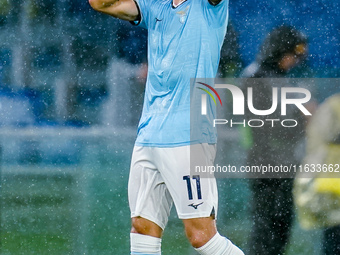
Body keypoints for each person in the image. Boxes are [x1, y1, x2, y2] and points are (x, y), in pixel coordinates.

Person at [88, 0, 245, 254]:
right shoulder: (155, 6)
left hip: (189, 136)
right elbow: (101, 3)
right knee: (142, 229)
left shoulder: (208, 6)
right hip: (149, 135)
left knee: (201, 235)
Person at [241, 25, 309, 255]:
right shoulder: (257, 77)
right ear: (279, 50)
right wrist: (303, 119)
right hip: (266, 164)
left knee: (280, 227)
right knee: (267, 230)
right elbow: (269, 127)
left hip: (281, 164)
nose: (294, 61)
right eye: (292, 54)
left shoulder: (275, 78)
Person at [294, 93, 340, 255]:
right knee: (333, 235)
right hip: (332, 187)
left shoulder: (331, 105)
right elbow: (326, 137)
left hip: (330, 184)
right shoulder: (333, 107)